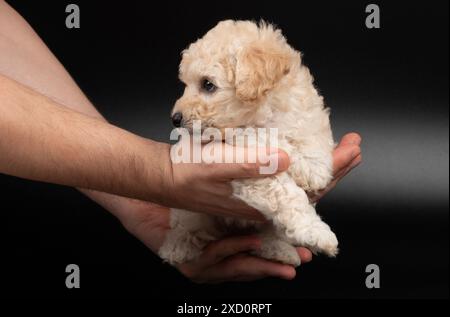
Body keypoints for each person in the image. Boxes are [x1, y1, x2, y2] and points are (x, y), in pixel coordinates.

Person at [0, 1, 362, 283]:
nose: (179, 109)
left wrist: (141, 204)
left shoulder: (284, 96)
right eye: (189, 86)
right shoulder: (228, 127)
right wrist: (159, 176)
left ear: (257, 78)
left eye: (207, 86)